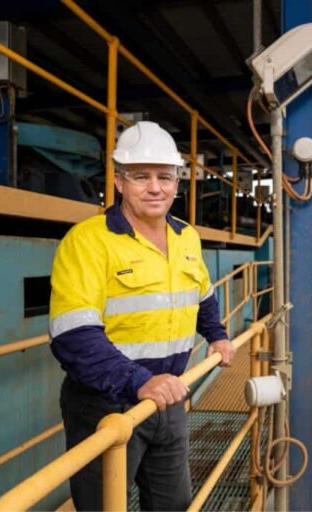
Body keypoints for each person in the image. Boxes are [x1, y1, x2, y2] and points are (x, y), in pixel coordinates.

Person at [49, 121, 235, 511]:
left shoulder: (187, 236)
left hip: (168, 401)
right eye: (141, 176)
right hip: (106, 406)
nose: (155, 187)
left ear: (177, 182)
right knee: (104, 505)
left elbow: (202, 295)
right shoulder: (88, 241)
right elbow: (73, 336)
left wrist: (216, 334)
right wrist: (139, 382)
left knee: (174, 504)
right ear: (119, 182)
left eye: (165, 177)